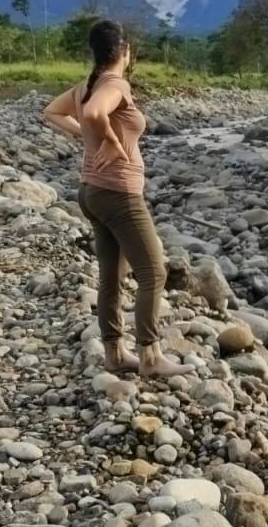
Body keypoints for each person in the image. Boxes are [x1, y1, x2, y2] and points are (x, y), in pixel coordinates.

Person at [42, 19, 184, 377]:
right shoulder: (115, 84)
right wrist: (109, 140)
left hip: (92, 191)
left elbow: (52, 112)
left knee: (112, 275)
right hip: (118, 194)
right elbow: (93, 113)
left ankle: (115, 353)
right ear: (125, 51)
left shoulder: (86, 86)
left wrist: (86, 137)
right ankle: (150, 356)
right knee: (153, 271)